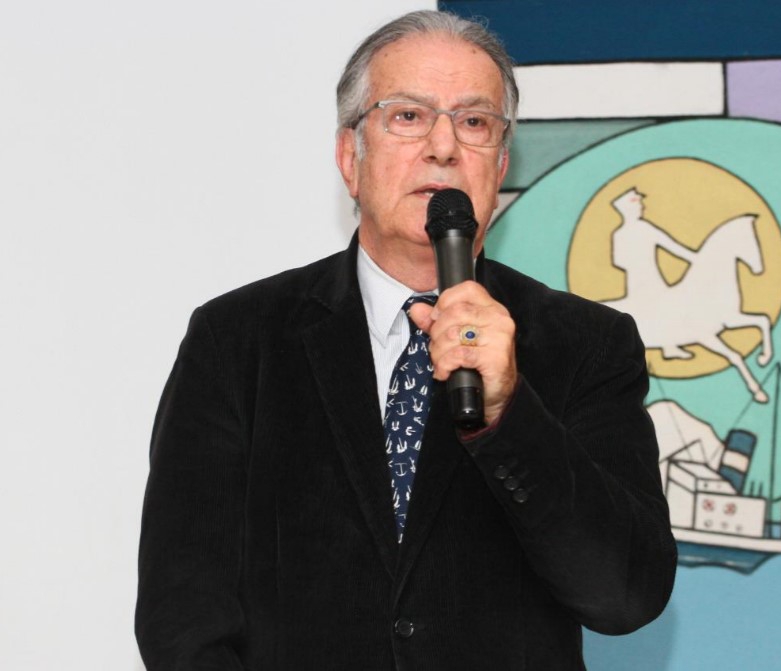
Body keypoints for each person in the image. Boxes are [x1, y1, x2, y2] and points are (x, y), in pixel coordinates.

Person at [136, 10, 676, 670]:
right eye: (409, 116)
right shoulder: (237, 340)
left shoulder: (586, 344)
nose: (443, 146)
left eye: (473, 122)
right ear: (350, 157)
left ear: (500, 167)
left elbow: (624, 596)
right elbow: (181, 617)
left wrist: (509, 414)